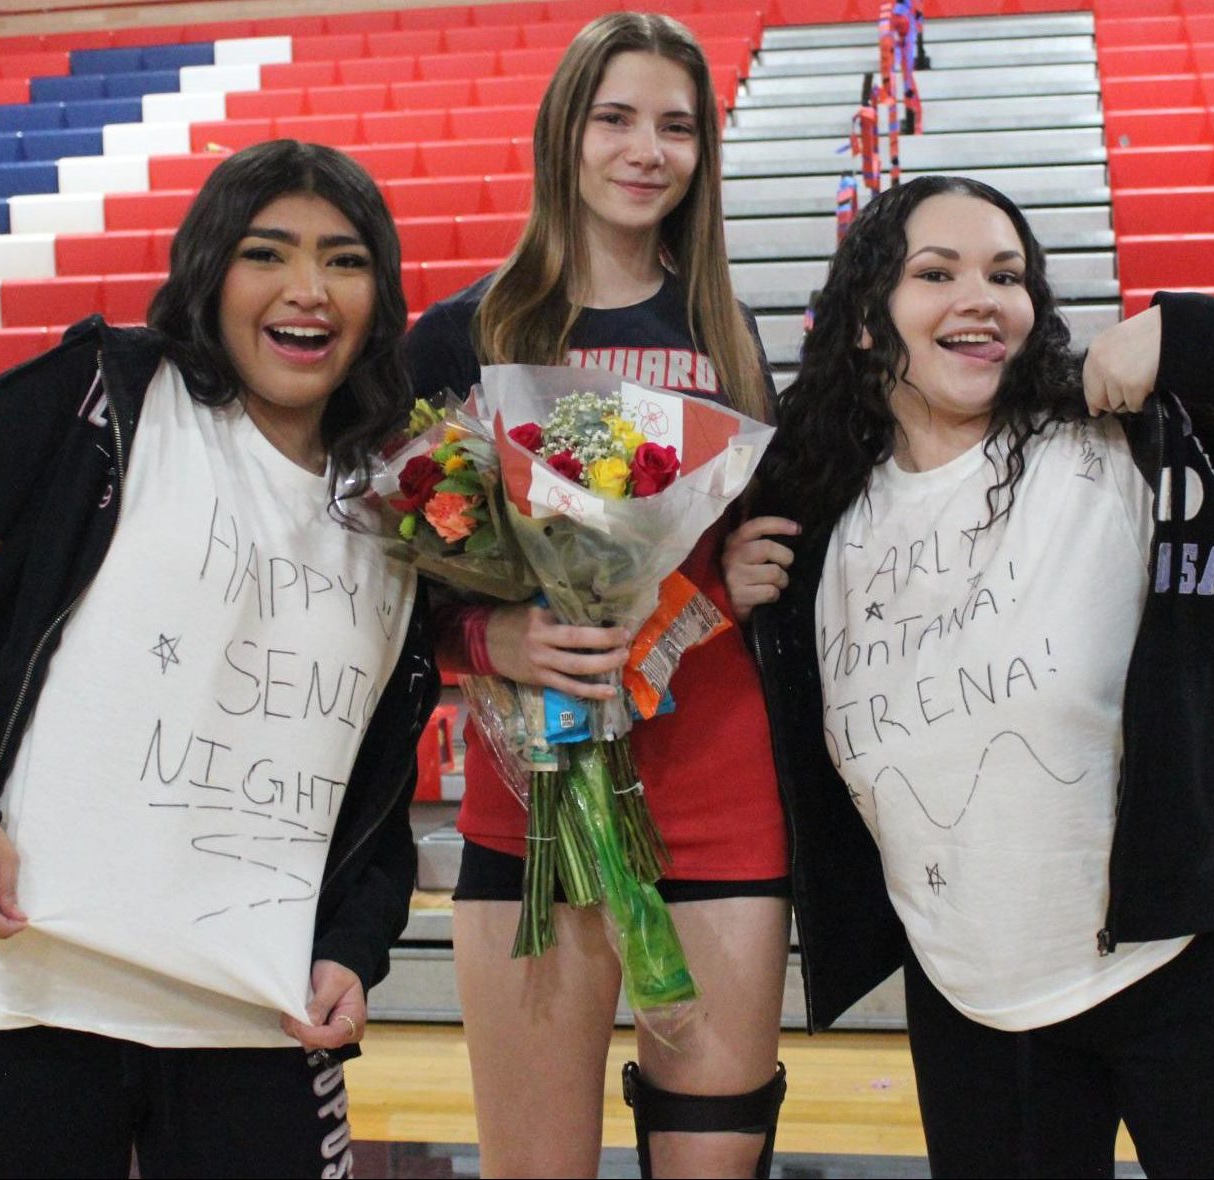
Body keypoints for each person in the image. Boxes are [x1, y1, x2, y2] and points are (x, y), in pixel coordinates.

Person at [728, 173, 1214, 1177]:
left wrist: (1198, 336)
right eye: (935, 272)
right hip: (976, 1000)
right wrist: (734, 596)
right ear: (867, 324)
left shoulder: (1130, 431)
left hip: (1204, 959)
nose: (980, 295)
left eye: (1006, 273)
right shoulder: (817, 518)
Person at [0, 139, 437, 1179]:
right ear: (209, 270)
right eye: (266, 252)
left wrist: (352, 949)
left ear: (381, 293)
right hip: (17, 992)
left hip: (257, 1025)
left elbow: (375, 775)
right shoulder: (108, 397)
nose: (308, 290)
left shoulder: (405, 499)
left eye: (345, 259)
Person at [403, 13, 788, 1179]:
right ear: (563, 131)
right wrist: (490, 636)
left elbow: (752, 550)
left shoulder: (727, 331)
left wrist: (748, 575)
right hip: (533, 805)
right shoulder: (458, 336)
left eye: (676, 126)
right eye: (616, 117)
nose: (646, 150)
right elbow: (394, 584)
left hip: (718, 780)